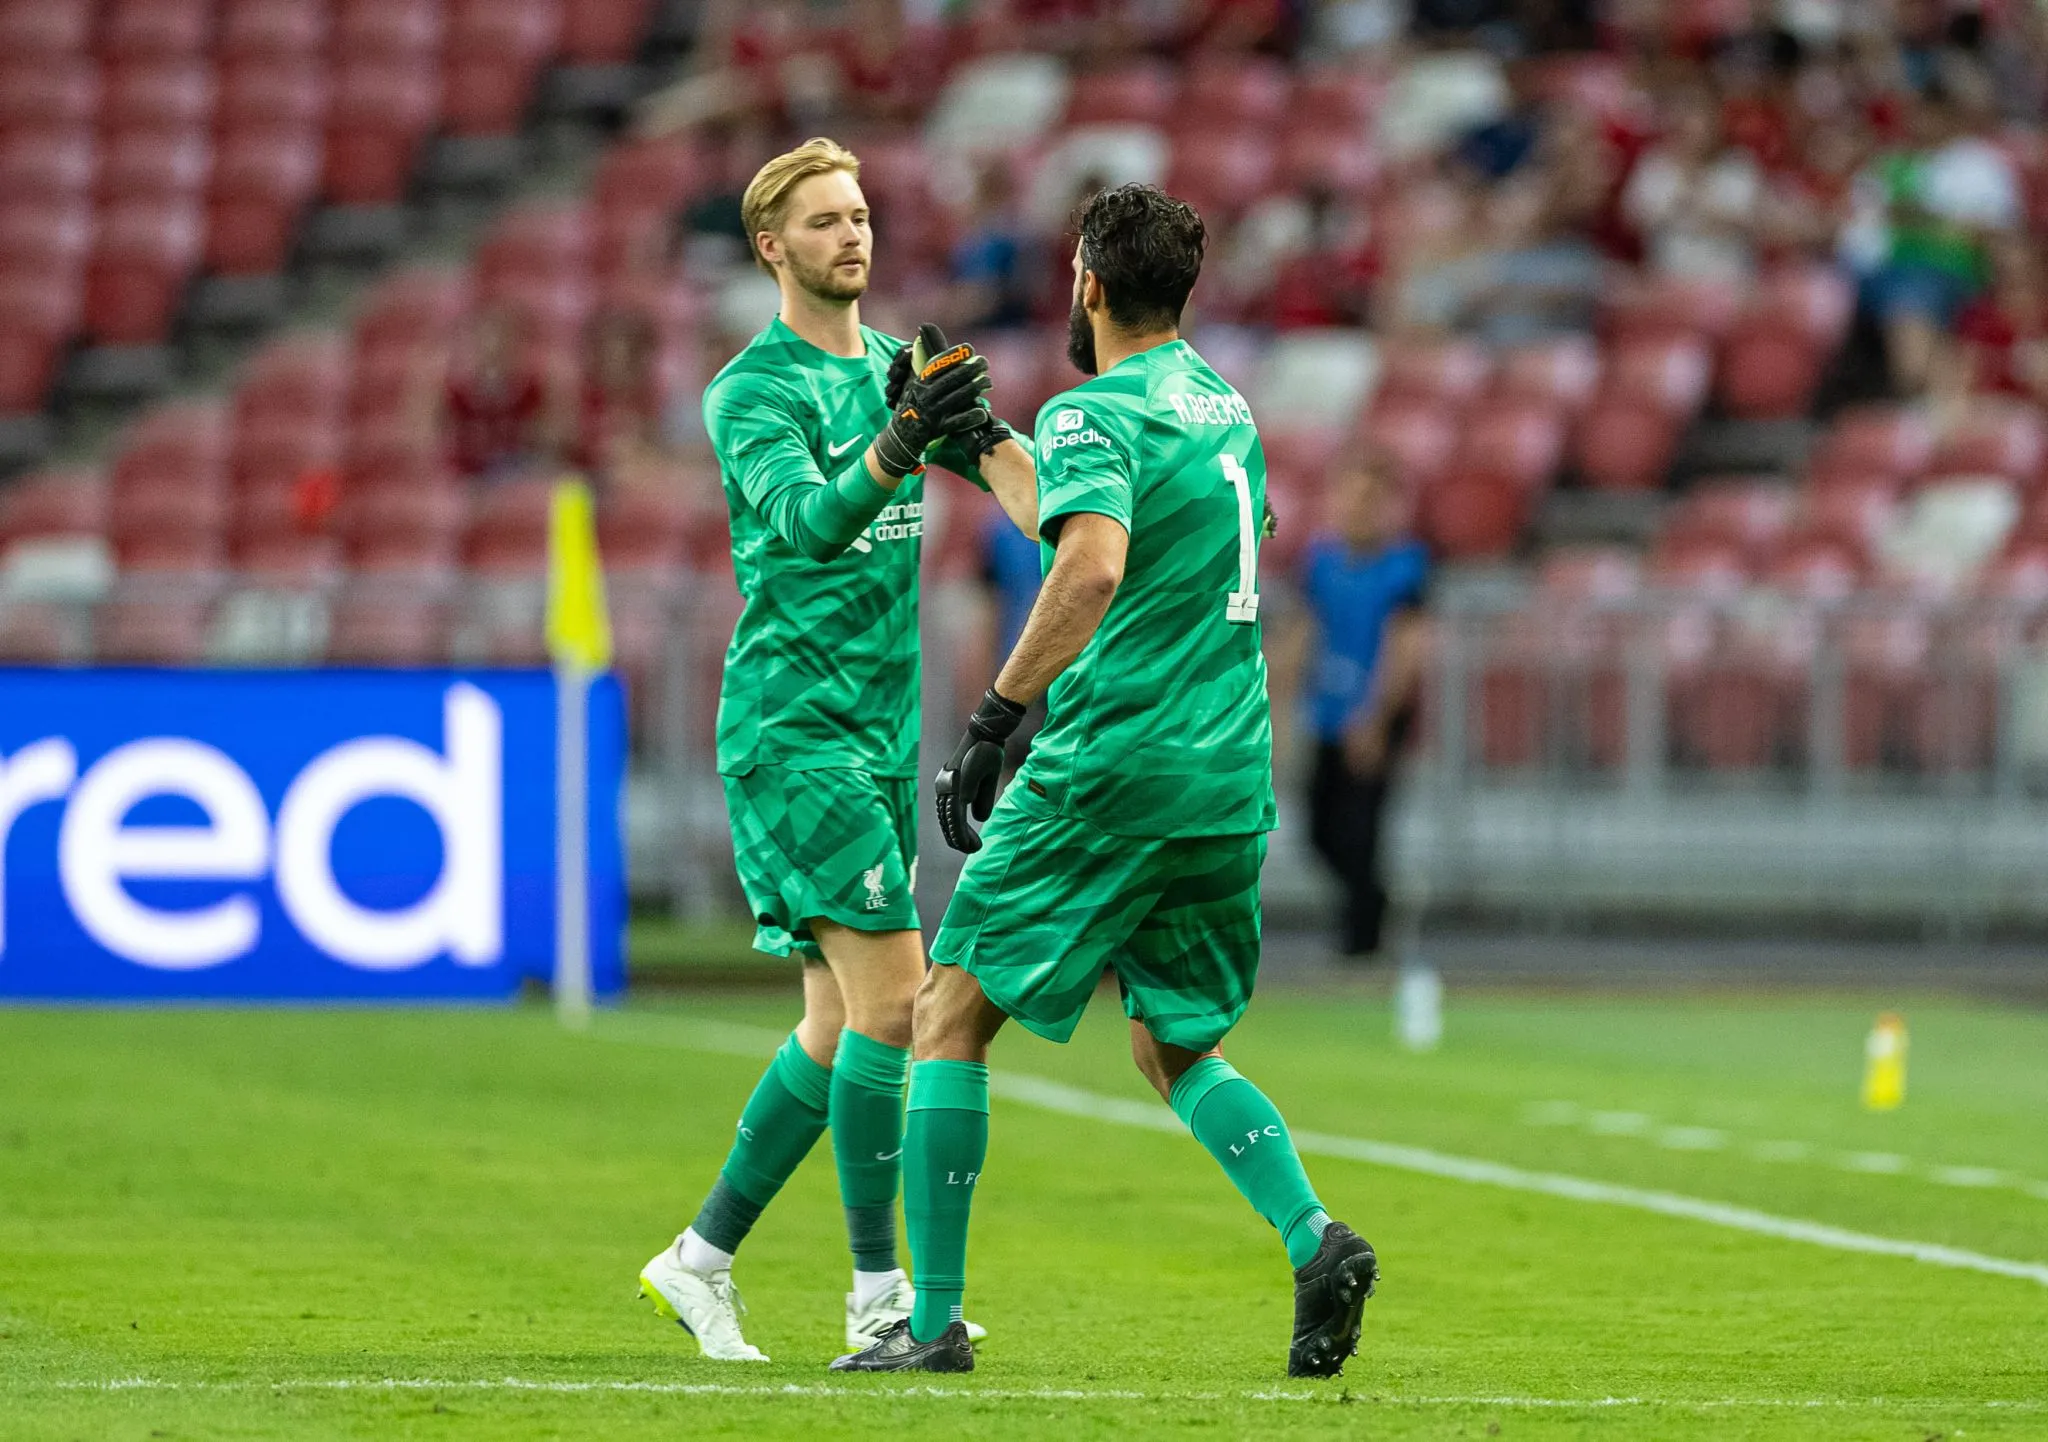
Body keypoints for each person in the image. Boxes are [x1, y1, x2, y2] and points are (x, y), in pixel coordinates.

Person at [834, 183, 1376, 1379]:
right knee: (1171, 1042)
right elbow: (1102, 521)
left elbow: (1086, 564)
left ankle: (930, 1324)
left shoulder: (1092, 408)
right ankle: (1312, 1237)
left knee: (945, 1013)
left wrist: (994, 712)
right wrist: (979, 442)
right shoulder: (1224, 409)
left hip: (1110, 763)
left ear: (1082, 280)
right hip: (1225, 770)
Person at [635, 137, 1039, 1363]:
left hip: (874, 732)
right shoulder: (748, 391)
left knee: (833, 1022)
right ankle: (878, 1297)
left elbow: (1007, 473)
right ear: (772, 246)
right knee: (897, 1001)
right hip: (789, 727)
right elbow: (808, 528)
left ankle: (697, 1258)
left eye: (859, 215)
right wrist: (895, 442)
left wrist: (1089, 516)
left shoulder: (895, 372)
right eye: (822, 221)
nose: (851, 236)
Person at [1292, 453, 1430, 960]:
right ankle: (1373, 906)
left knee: (1361, 830)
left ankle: (1362, 944)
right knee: (1318, 829)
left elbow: (1406, 645)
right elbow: (1306, 631)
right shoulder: (1322, 561)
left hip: (1373, 717)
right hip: (1327, 712)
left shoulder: (1405, 566)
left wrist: (1374, 715)